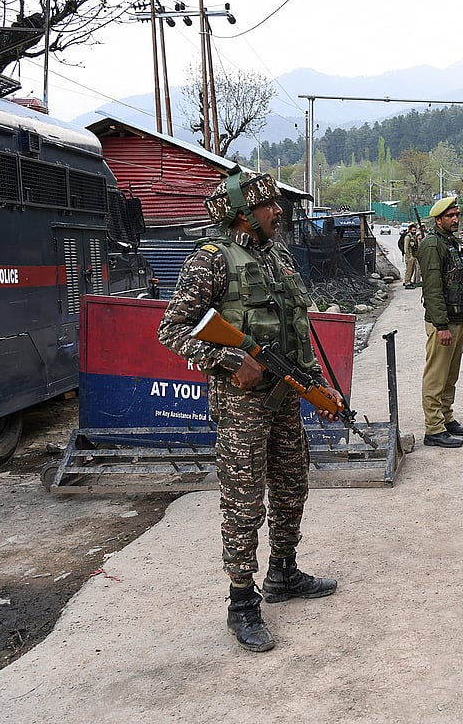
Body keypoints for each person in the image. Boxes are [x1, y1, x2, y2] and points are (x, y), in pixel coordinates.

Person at [157, 172, 338, 652]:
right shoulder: (211, 261)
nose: (279, 212)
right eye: (269, 206)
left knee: (293, 484)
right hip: (241, 408)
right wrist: (229, 359)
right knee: (243, 503)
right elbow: (172, 329)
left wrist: (316, 386)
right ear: (242, 213)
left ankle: (283, 571)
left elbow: (298, 328)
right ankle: (242, 602)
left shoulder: (277, 257)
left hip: (284, 397)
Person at [417, 196, 463, 448]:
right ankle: (433, 429)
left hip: (457, 319)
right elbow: (432, 289)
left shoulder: (451, 242)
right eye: (450, 216)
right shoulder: (432, 245)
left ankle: (446, 418)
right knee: (436, 377)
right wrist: (441, 326)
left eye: (457, 215)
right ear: (438, 219)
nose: (455, 219)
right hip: (444, 323)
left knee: (450, 376)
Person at [402, 222, 423, 288]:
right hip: (410, 256)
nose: (414, 231)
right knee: (409, 270)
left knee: (412, 270)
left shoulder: (413, 237)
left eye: (415, 230)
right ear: (410, 230)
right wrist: (409, 257)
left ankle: (408, 281)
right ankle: (407, 282)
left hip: (413, 256)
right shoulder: (407, 237)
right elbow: (406, 248)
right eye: (413, 230)